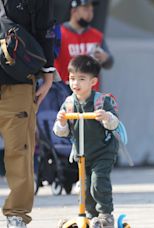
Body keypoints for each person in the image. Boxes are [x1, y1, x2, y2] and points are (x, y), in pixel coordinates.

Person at [0, 0, 55, 227]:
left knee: (19, 149)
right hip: (17, 80)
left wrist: (48, 73)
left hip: (18, 79)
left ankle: (17, 215)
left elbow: (45, 30)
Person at [53, 55, 119, 228]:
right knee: (84, 185)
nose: (76, 83)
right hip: (82, 153)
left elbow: (115, 124)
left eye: (81, 79)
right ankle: (90, 215)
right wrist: (61, 121)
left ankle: (106, 214)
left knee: (98, 181)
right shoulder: (68, 103)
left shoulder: (101, 101)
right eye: (72, 78)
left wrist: (105, 116)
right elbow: (62, 132)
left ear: (93, 81)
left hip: (103, 151)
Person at [55, 0, 113, 91]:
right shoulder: (59, 34)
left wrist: (105, 58)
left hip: (91, 97)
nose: (90, 14)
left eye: (91, 10)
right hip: (64, 94)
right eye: (86, 9)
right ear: (74, 11)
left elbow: (109, 62)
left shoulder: (97, 36)